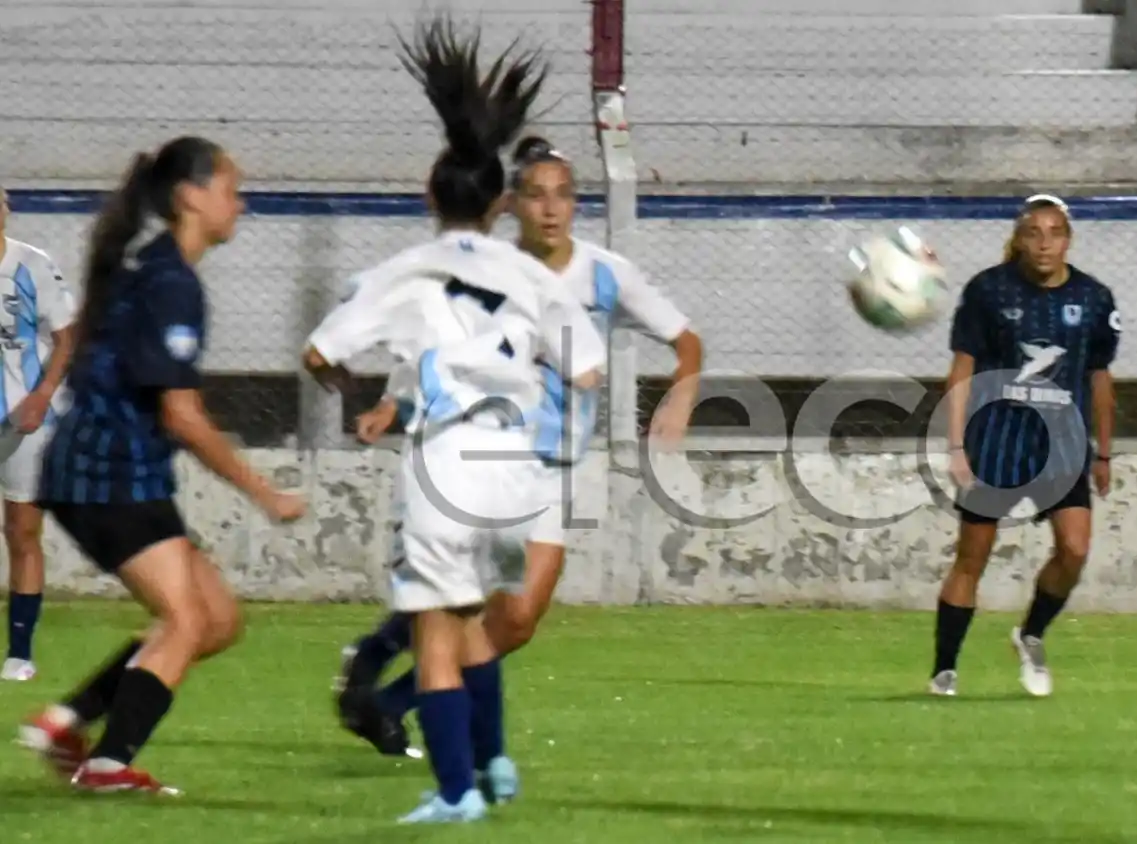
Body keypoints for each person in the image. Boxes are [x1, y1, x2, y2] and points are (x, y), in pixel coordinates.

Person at [303, 13, 606, 824]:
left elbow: (319, 353)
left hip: (446, 462)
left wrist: (363, 395)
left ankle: (454, 792)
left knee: (436, 632)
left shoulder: (408, 270)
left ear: (430, 197)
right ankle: (496, 761)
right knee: (475, 624)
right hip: (520, 469)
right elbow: (587, 366)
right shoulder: (532, 272)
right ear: (501, 204)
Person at [333, 136, 703, 770]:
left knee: (517, 619)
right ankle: (393, 686)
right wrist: (391, 404)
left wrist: (679, 399)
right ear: (511, 205)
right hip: (480, 451)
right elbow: (432, 342)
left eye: (562, 195)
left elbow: (687, 340)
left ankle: (385, 693)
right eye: (535, 195)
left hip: (554, 464)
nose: (551, 209)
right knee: (473, 600)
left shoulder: (606, 273)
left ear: (577, 204)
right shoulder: (486, 270)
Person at [16, 136, 306, 794]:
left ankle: (68, 721)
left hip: (113, 471)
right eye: (231, 190)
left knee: (217, 618)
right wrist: (265, 492)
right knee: (186, 620)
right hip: (110, 474)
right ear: (191, 196)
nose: (241, 203)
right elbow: (180, 413)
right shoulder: (171, 281)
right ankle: (109, 764)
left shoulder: (150, 266)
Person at [931, 194, 1120, 699]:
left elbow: (1100, 379)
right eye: (1033, 232)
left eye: (1054, 232)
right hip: (997, 436)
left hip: (1062, 442)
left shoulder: (1095, 299)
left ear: (1068, 239)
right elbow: (962, 370)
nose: (1043, 243)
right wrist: (955, 446)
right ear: (1018, 238)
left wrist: (1104, 452)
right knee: (973, 557)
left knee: (1075, 549)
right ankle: (944, 670)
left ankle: (1031, 632)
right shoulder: (988, 291)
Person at [0, 187, 80, 682]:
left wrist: (42, 395)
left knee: (22, 532)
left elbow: (67, 336)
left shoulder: (32, 265)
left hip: (22, 421)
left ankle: (20, 653)